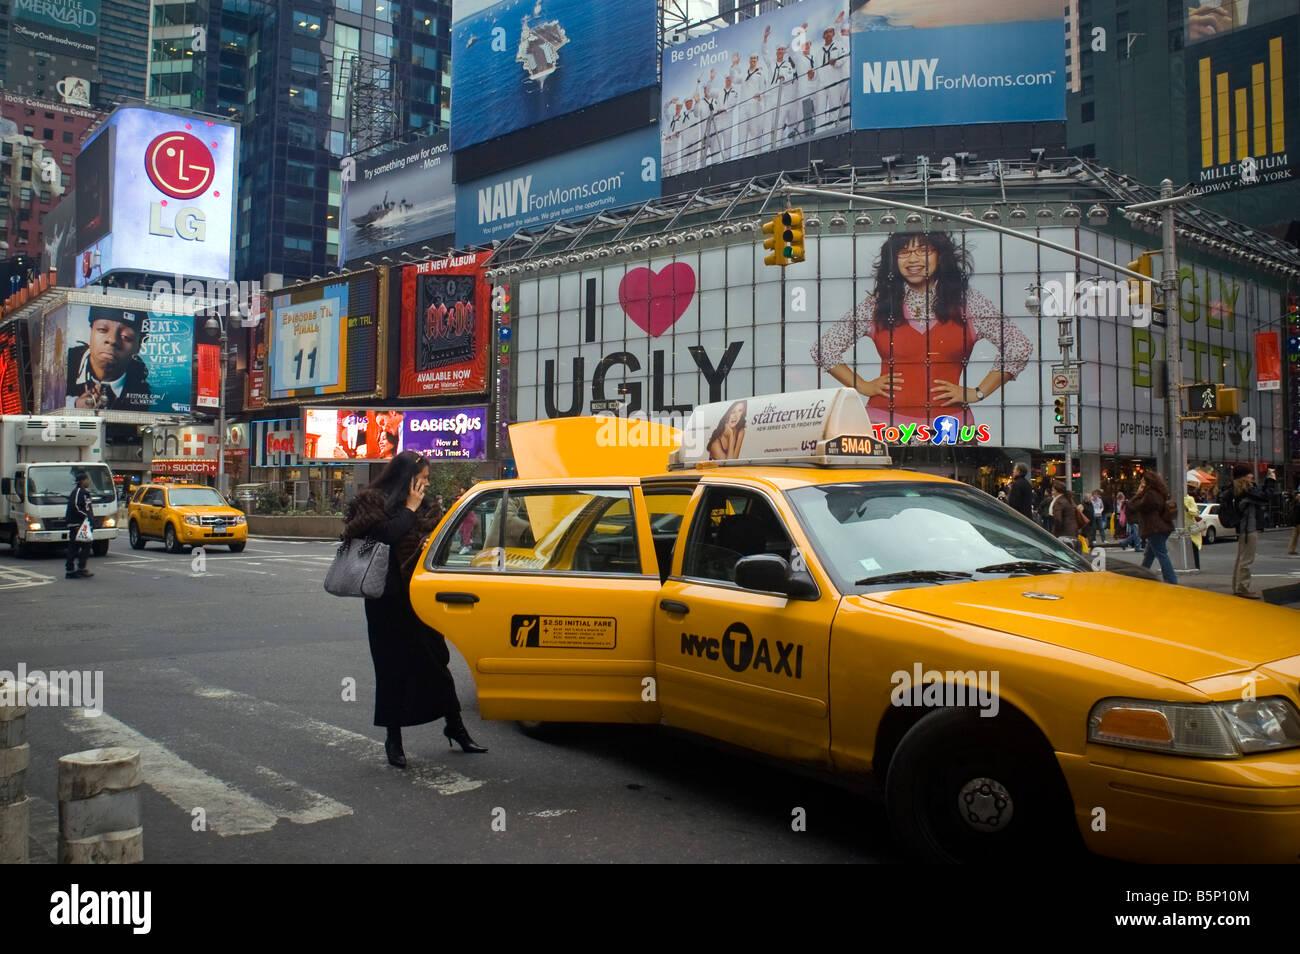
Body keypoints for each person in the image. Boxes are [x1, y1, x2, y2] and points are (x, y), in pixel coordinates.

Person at [342, 451, 486, 766]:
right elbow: (382, 536)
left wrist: (427, 544)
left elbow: (439, 542)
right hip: (385, 601)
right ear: (407, 477)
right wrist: (408, 510)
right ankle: (393, 740)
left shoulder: (427, 506)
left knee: (436, 664)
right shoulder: (372, 503)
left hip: (419, 598)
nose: (426, 483)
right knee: (391, 670)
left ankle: (456, 727)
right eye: (423, 477)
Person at [812, 233, 1033, 428]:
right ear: (893, 261)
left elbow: (1019, 346)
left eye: (923, 250)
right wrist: (862, 386)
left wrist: (978, 392)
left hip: (950, 427)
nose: (913, 259)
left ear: (940, 256)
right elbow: (823, 349)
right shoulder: (877, 304)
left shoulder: (969, 304)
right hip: (882, 426)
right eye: (904, 252)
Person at [65, 307, 153, 411]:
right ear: (90, 333)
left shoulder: (147, 385)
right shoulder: (62, 364)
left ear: (138, 347)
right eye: (102, 330)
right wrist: (73, 405)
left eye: (126, 336)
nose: (112, 340)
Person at [1230, 464, 1275, 599]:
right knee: (1247, 559)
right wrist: (1271, 480)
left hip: (1244, 528)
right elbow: (1265, 496)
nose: (1252, 475)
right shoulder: (1246, 490)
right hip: (1249, 528)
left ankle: (1237, 587)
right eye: (1249, 474)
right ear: (1243, 476)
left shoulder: (1239, 489)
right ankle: (1242, 588)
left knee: (1241, 559)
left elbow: (1261, 495)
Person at [1130, 470, 1177, 584]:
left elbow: (1135, 506)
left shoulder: (1150, 494)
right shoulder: (1160, 492)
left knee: (1161, 554)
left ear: (1148, 482)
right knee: (1149, 555)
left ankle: (1171, 581)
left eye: (1142, 482)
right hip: (1162, 527)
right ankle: (1141, 576)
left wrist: (1138, 493)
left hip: (1155, 528)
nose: (1141, 484)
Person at [64, 469, 95, 580]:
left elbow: (87, 507)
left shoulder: (85, 492)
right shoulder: (78, 492)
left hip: (84, 524)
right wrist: (86, 517)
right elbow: (76, 507)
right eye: (87, 480)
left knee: (85, 545)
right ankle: (72, 570)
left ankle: (79, 568)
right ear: (82, 481)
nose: (89, 482)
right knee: (75, 547)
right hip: (77, 524)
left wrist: (91, 519)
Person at [1049, 481, 1080, 550]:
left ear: (1058, 491)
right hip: (1072, 531)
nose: (1052, 492)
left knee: (1064, 553)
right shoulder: (1068, 499)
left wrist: (1055, 533)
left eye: (1053, 490)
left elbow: (1058, 519)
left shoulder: (1059, 502)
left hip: (1064, 533)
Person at [1184, 479, 1203, 571]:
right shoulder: (1178, 498)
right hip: (1182, 526)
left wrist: (1187, 509)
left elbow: (1195, 512)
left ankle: (1196, 566)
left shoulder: (1190, 499)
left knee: (1193, 547)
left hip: (1190, 527)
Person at [1289, 484, 1300, 556]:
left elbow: (1294, 515)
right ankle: (1291, 549)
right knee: (1294, 536)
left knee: (1294, 536)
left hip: (1297, 523)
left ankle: (1291, 549)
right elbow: (1295, 515)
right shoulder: (1298, 506)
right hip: (1298, 523)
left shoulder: (1296, 505)